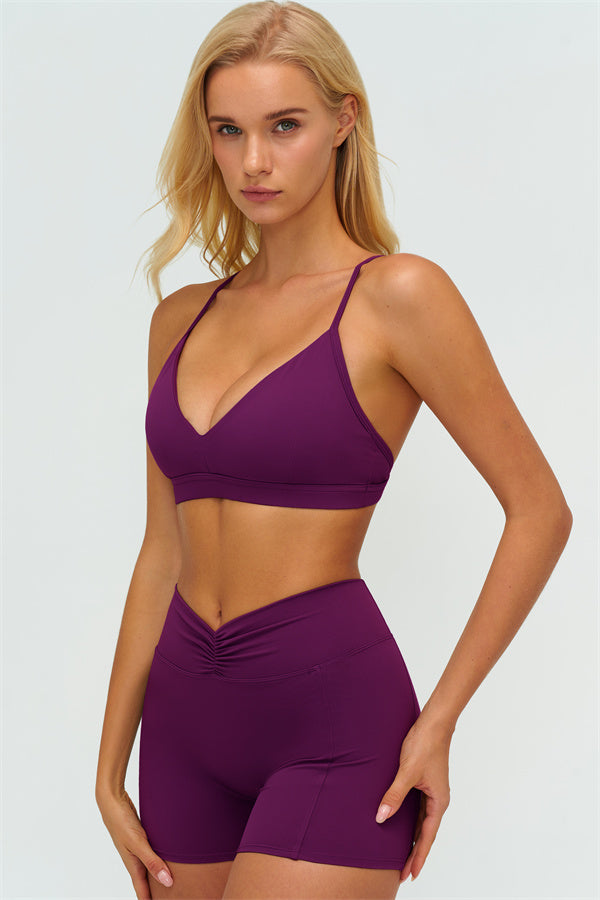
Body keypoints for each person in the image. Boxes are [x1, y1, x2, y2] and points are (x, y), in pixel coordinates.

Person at [94, 2, 572, 898]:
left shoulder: (399, 296)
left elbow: (540, 511)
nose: (254, 161)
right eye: (229, 131)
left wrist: (440, 720)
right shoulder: (180, 320)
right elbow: (162, 550)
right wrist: (108, 767)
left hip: (333, 725)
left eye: (285, 126)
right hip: (184, 725)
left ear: (343, 121)